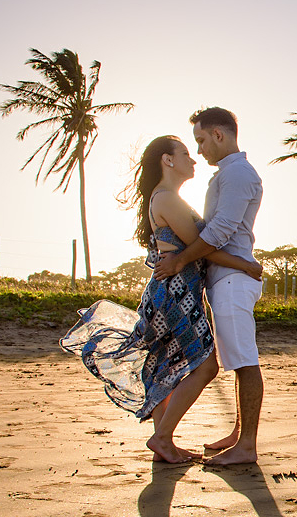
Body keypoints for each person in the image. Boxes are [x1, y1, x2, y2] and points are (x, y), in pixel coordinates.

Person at [61, 135, 261, 463]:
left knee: (164, 365)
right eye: (185, 153)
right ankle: (163, 437)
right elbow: (203, 244)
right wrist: (245, 264)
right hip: (176, 294)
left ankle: (163, 445)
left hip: (171, 293)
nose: (193, 158)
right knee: (206, 366)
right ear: (167, 161)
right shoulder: (167, 198)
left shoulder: (164, 197)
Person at [154, 107, 264, 466]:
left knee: (244, 361)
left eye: (201, 140)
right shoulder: (225, 176)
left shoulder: (237, 175)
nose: (199, 150)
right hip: (224, 279)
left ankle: (247, 445)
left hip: (233, 281)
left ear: (219, 135)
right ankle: (238, 434)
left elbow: (218, 233)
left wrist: (181, 260)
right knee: (236, 359)